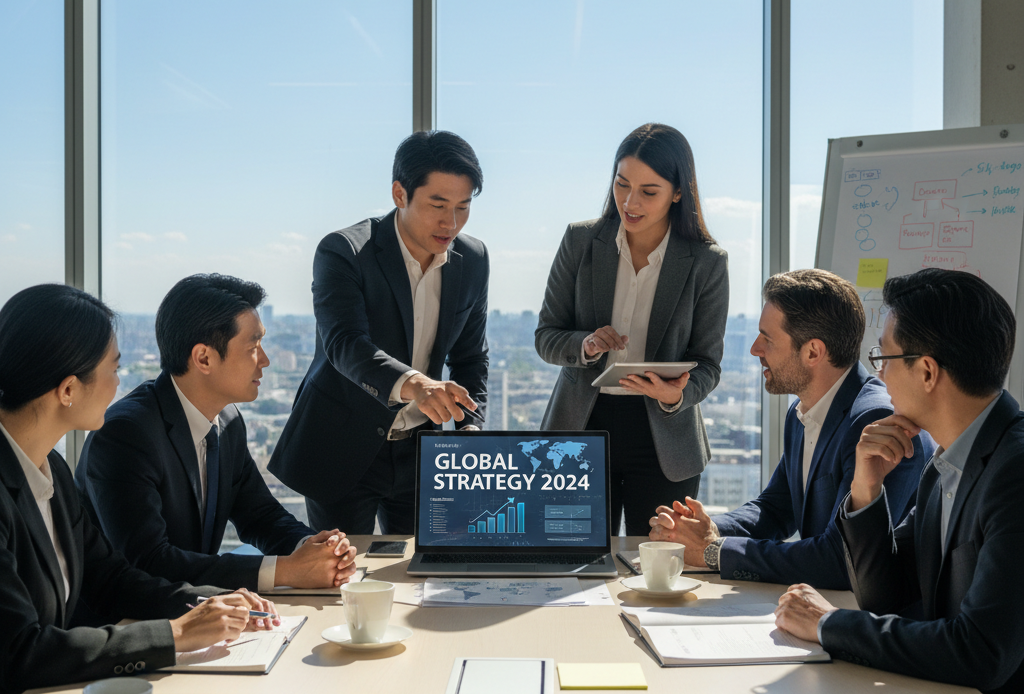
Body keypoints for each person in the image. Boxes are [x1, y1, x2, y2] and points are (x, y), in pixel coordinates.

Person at [0, 283, 280, 694]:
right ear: (69, 389)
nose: (120, 384)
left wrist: (209, 602)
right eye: (113, 369)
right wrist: (177, 634)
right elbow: (19, 651)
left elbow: (110, 578)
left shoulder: (48, 468)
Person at [775, 269, 1024, 694]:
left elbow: (981, 652)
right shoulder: (945, 461)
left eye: (884, 357)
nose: (878, 372)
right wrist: (866, 489)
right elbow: (886, 595)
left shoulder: (1014, 471)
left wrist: (828, 624)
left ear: (927, 371)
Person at [649, 269, 933, 587]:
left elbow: (840, 560)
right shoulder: (802, 412)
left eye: (767, 339)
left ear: (813, 352)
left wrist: (715, 551)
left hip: (872, 615)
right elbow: (775, 509)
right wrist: (698, 528)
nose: (755, 349)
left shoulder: (874, 420)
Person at [77, 275, 357, 594]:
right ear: (204, 358)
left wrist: (312, 547)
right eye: (253, 347)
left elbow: (260, 515)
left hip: (196, 610)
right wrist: (286, 570)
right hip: (125, 623)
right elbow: (149, 562)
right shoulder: (125, 435)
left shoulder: (228, 420)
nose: (264, 361)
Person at [269, 130, 489, 535]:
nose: (451, 223)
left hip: (423, 452)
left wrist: (469, 426)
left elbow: (471, 356)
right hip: (342, 447)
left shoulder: (472, 259)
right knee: (342, 580)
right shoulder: (344, 251)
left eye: (463, 207)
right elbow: (345, 345)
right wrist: (417, 385)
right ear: (399, 194)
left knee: (421, 578)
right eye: (437, 205)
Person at [535, 122, 728, 536]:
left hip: (664, 436)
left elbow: (709, 365)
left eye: (648, 191)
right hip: (580, 430)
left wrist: (676, 394)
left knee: (657, 568)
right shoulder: (580, 241)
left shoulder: (707, 263)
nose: (630, 201)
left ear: (678, 192)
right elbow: (546, 336)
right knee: (571, 562)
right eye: (622, 184)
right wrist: (584, 345)